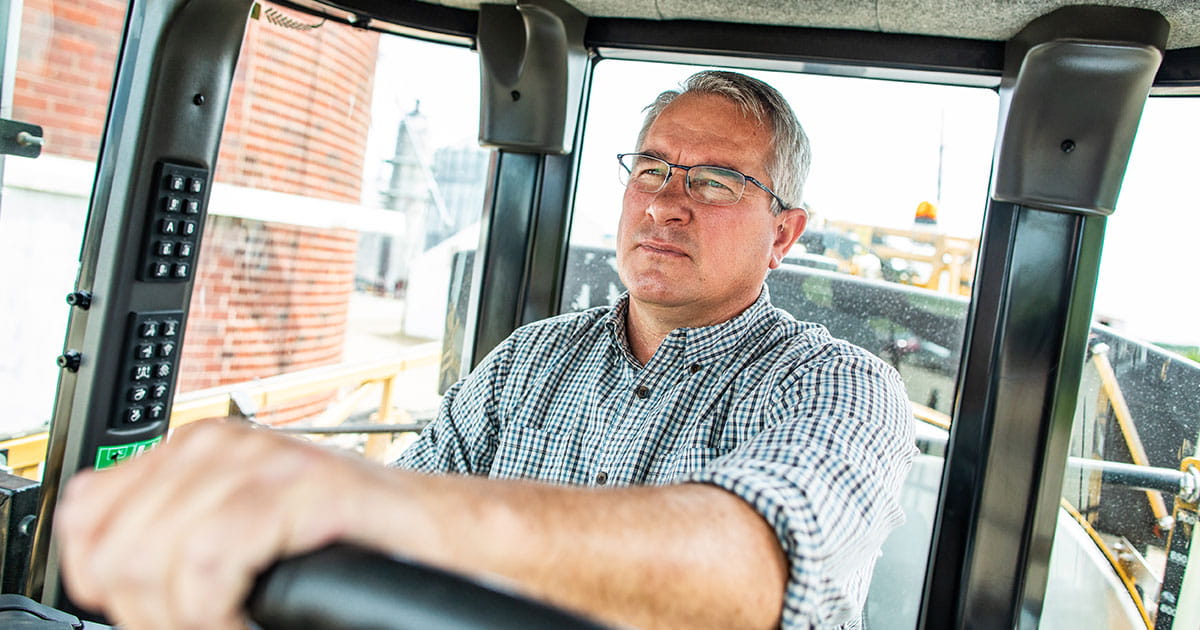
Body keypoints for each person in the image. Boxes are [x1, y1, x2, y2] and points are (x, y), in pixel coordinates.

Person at [56, 71, 916, 630]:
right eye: (650, 168)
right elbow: (404, 527)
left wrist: (373, 503)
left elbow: (757, 565)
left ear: (784, 235)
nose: (664, 203)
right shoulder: (528, 362)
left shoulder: (840, 388)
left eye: (715, 181)